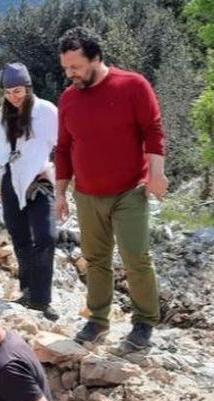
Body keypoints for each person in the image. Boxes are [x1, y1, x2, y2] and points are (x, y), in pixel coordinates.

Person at [54, 26, 168, 352]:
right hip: (87, 194)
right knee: (95, 259)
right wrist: (61, 193)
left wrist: (156, 174)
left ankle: (144, 322)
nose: (70, 74)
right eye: (66, 68)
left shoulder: (132, 85)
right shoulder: (69, 98)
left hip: (129, 190)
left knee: (135, 256)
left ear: (96, 58)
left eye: (75, 67)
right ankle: (98, 319)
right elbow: (63, 148)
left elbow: (153, 130)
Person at [0, 62, 60, 321]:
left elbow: (64, 144)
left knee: (46, 236)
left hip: (39, 181)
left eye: (17, 91)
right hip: (9, 180)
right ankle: (27, 292)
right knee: (19, 237)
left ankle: (41, 300)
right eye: (7, 92)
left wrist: (57, 175)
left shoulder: (47, 111)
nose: (13, 97)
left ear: (28, 88)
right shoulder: (0, 115)